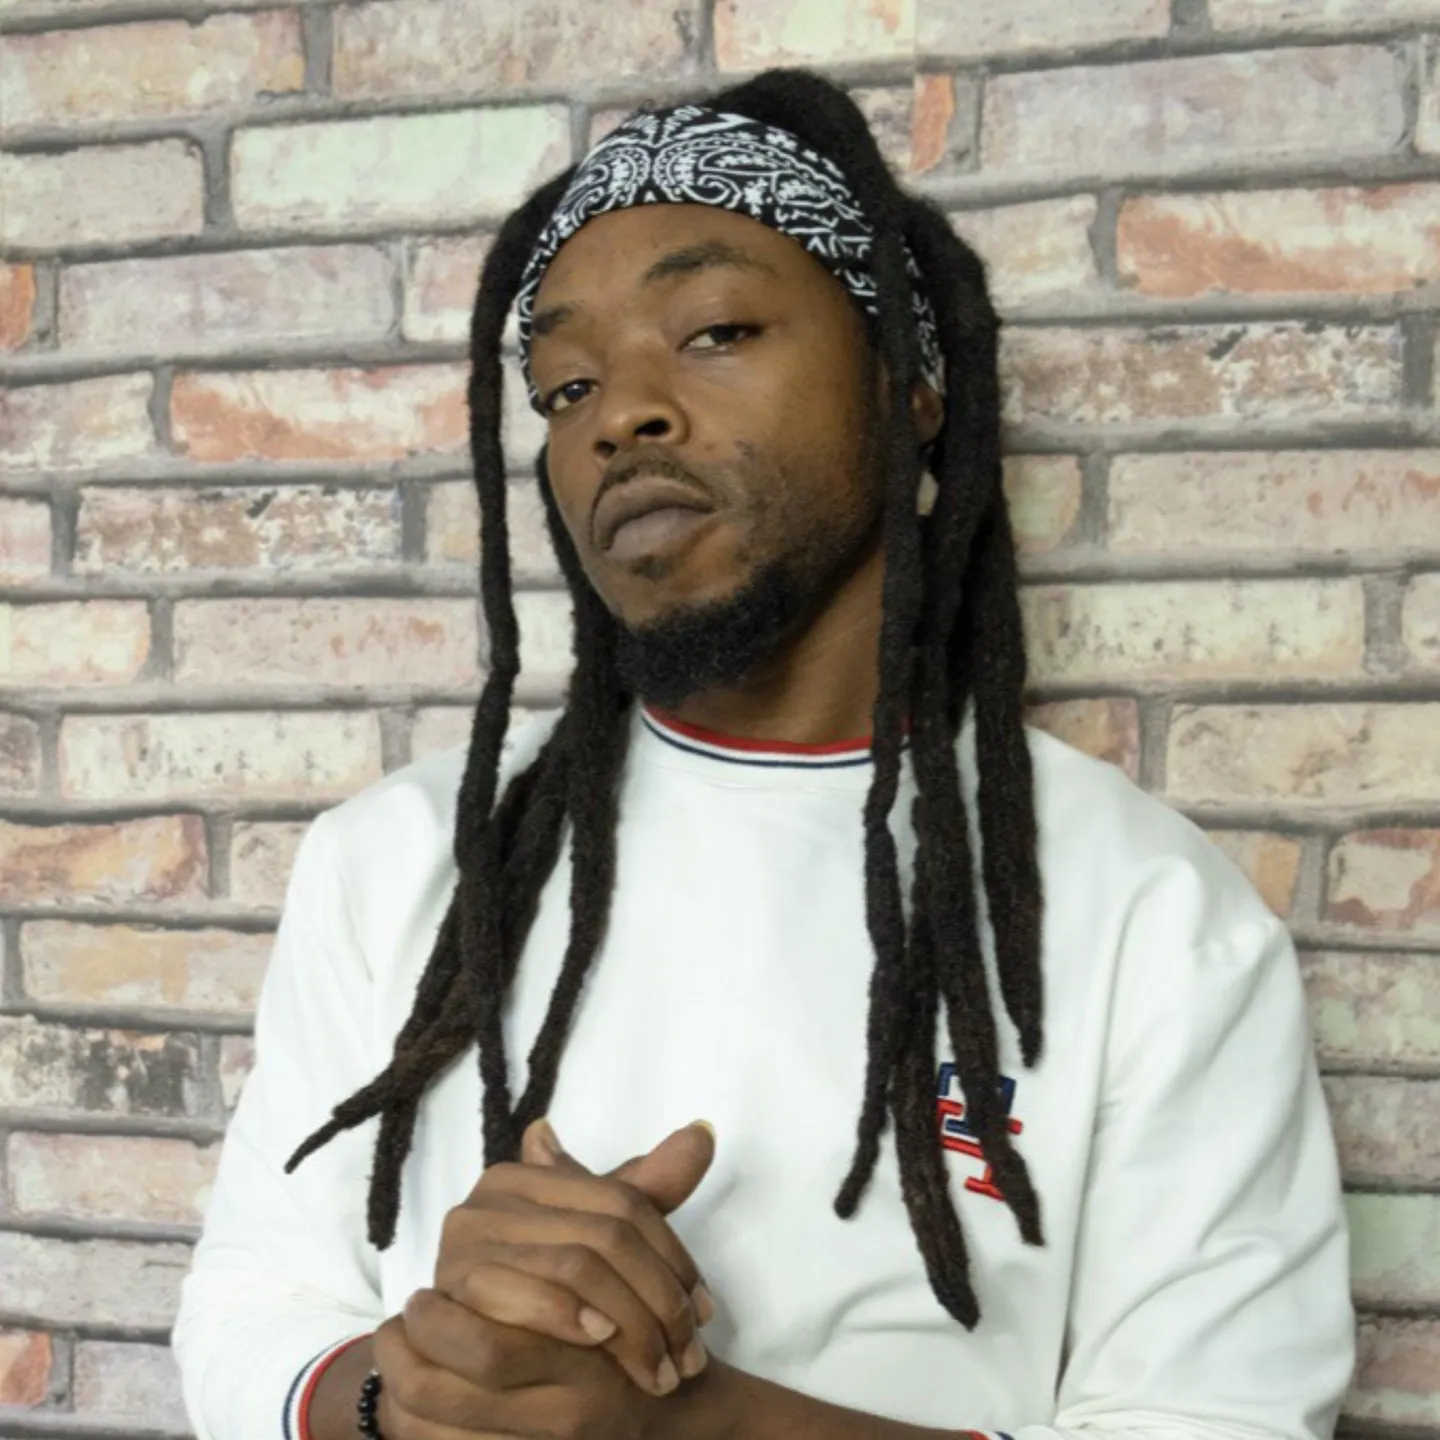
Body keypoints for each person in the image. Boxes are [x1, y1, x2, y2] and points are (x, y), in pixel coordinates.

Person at [173, 68, 1355, 1440]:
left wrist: (684, 1423)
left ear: (909, 384)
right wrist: (407, 1397)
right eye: (564, 384)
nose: (619, 415)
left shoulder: (1150, 913)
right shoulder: (400, 859)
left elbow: (1220, 1421)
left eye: (717, 330)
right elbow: (251, 1307)